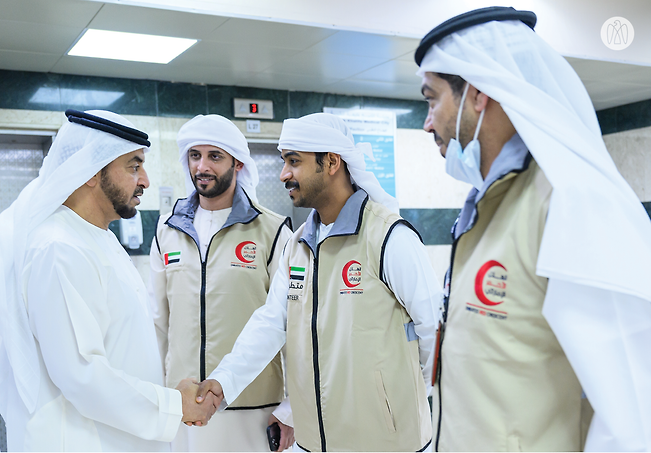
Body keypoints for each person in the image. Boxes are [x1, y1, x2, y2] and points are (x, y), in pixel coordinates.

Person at [414, 7, 651, 451]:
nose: (428, 121)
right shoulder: (490, 203)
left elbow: (633, 414)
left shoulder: (569, 202)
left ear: (477, 94)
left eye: (432, 99)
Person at [195, 113, 443, 451]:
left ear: (331, 162)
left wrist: (402, 403)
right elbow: (270, 324)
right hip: (315, 442)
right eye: (284, 162)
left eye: (294, 162)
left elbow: (432, 330)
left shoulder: (387, 237)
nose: (284, 174)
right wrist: (223, 381)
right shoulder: (297, 246)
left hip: (387, 443)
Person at [0, 110, 218, 452]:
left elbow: (121, 347)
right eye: (134, 166)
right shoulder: (59, 248)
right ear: (91, 172)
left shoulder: (98, 238)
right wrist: (172, 404)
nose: (145, 180)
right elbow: (82, 374)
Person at [149, 114, 294, 452]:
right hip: (182, 408)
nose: (202, 166)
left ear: (238, 164)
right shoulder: (167, 230)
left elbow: (292, 328)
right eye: (195, 155)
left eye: (215, 156)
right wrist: (157, 400)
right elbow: (158, 323)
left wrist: (289, 410)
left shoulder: (272, 232)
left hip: (253, 409)